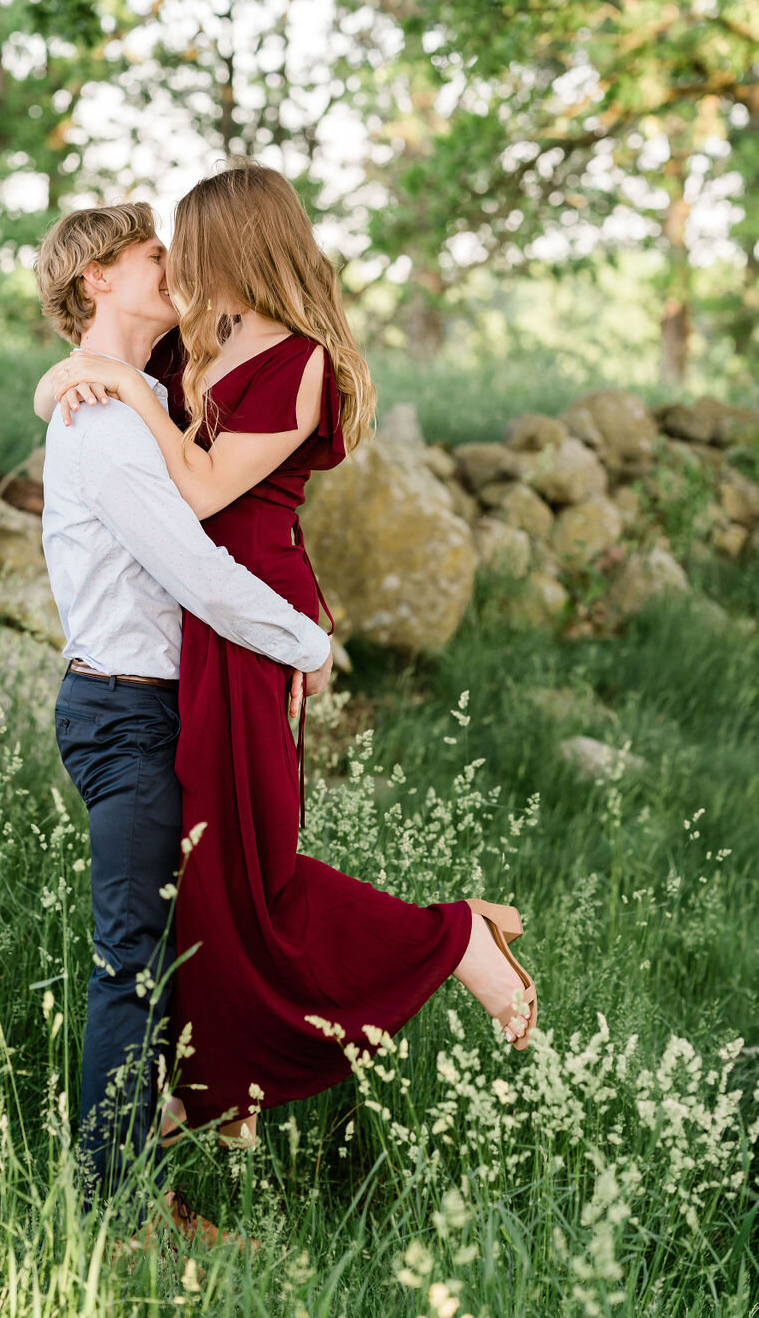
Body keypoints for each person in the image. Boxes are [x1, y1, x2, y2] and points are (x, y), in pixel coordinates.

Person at [48, 161, 538, 1153]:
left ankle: (448, 943)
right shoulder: (197, 353)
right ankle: (204, 1094)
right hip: (210, 634)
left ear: (234, 243)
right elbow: (113, 389)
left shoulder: (292, 359)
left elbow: (193, 497)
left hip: (246, 620)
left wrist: (299, 636)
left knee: (248, 878)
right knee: (221, 886)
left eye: (185, 244)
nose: (178, 263)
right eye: (158, 252)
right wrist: (74, 373)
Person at [32, 201, 333, 1242]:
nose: (180, 273)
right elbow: (197, 572)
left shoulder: (144, 395)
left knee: (189, 934)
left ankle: (159, 1157)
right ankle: (114, 1210)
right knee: (131, 959)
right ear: (95, 281)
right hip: (126, 712)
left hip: (167, 706)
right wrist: (308, 644)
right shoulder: (103, 420)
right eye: (156, 259)